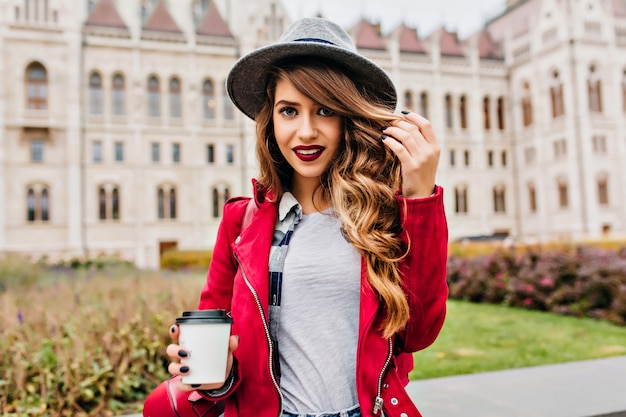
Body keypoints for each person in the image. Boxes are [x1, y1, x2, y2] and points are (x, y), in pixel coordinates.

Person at [143, 17, 448, 417]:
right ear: (271, 121)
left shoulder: (382, 214)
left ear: (348, 118)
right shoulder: (241, 222)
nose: (305, 131)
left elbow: (418, 333)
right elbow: (219, 349)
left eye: (324, 110)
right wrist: (212, 373)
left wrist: (421, 195)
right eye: (289, 111)